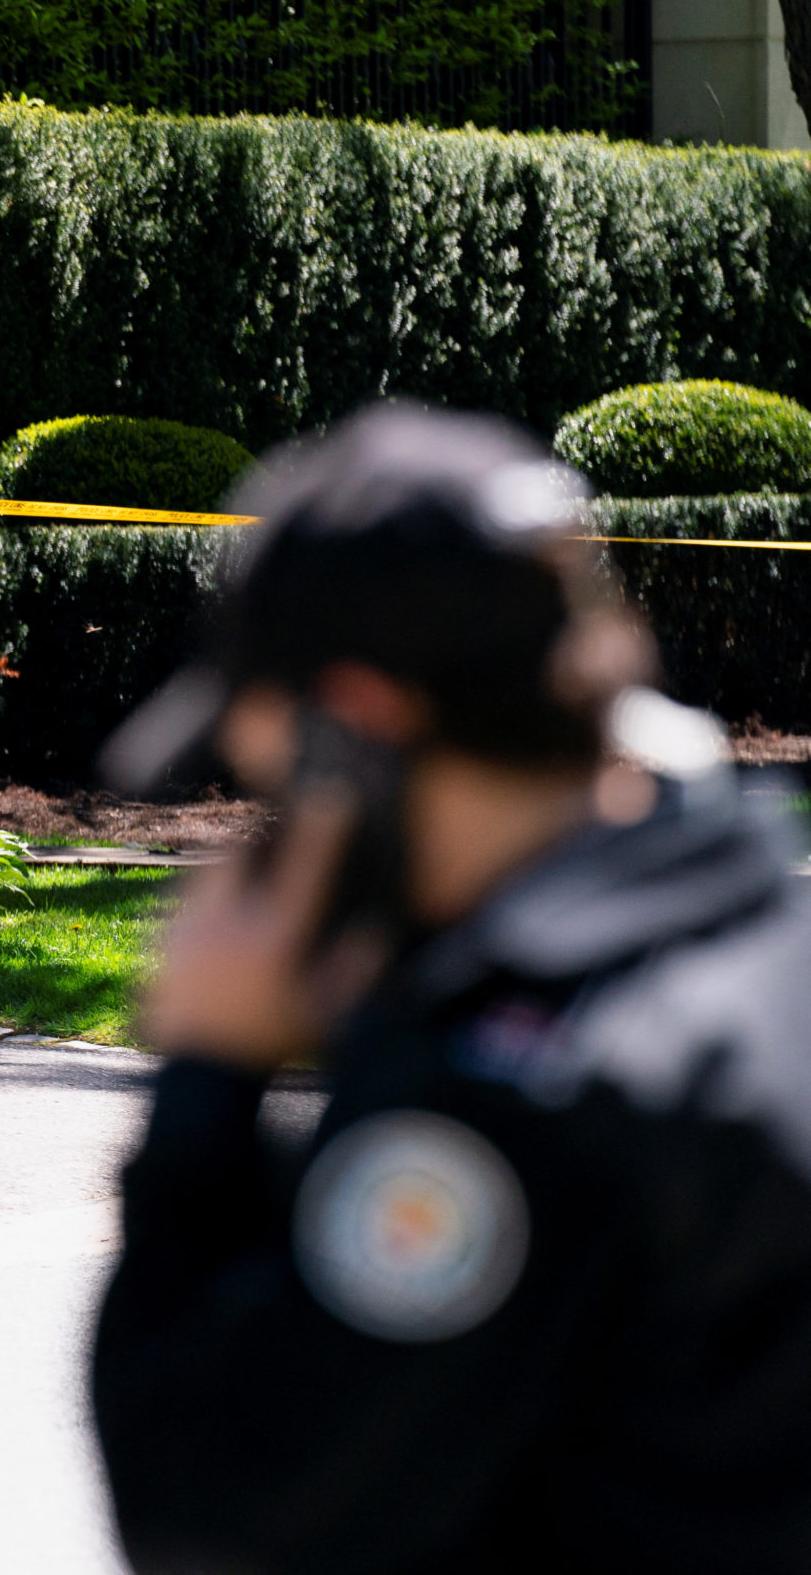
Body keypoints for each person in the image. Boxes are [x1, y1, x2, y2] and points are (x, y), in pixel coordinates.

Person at [86, 403, 811, 1571]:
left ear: (351, 729)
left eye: (277, 777)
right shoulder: (769, 939)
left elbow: (212, 1511)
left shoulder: (503, 1104)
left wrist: (209, 1071)